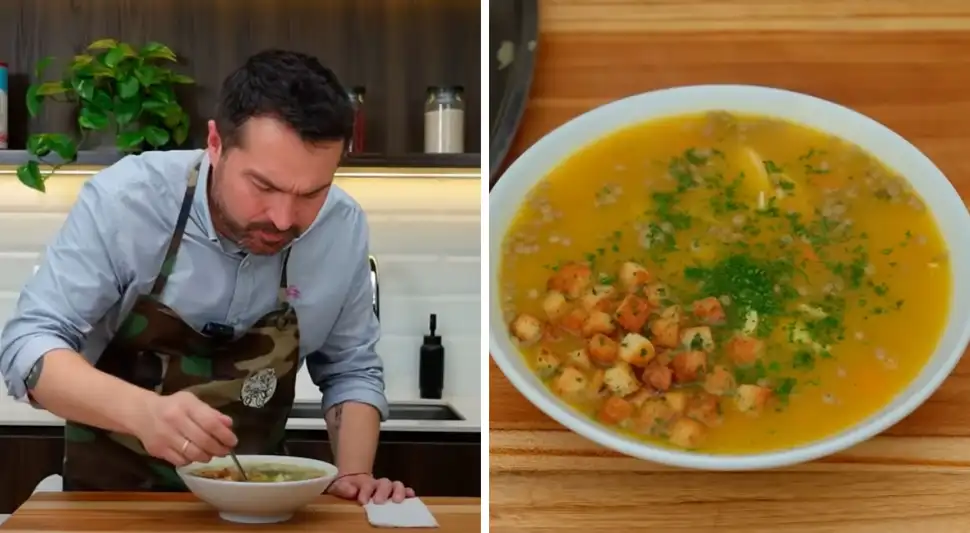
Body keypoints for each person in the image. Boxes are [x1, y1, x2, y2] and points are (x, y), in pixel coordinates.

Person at [0, 49, 414, 504]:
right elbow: (28, 346)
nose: (282, 218)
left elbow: (351, 368)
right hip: (113, 504)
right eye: (263, 186)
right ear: (215, 144)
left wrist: (353, 475)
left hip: (262, 508)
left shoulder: (341, 228)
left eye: (312, 193)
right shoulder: (128, 202)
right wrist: (142, 412)